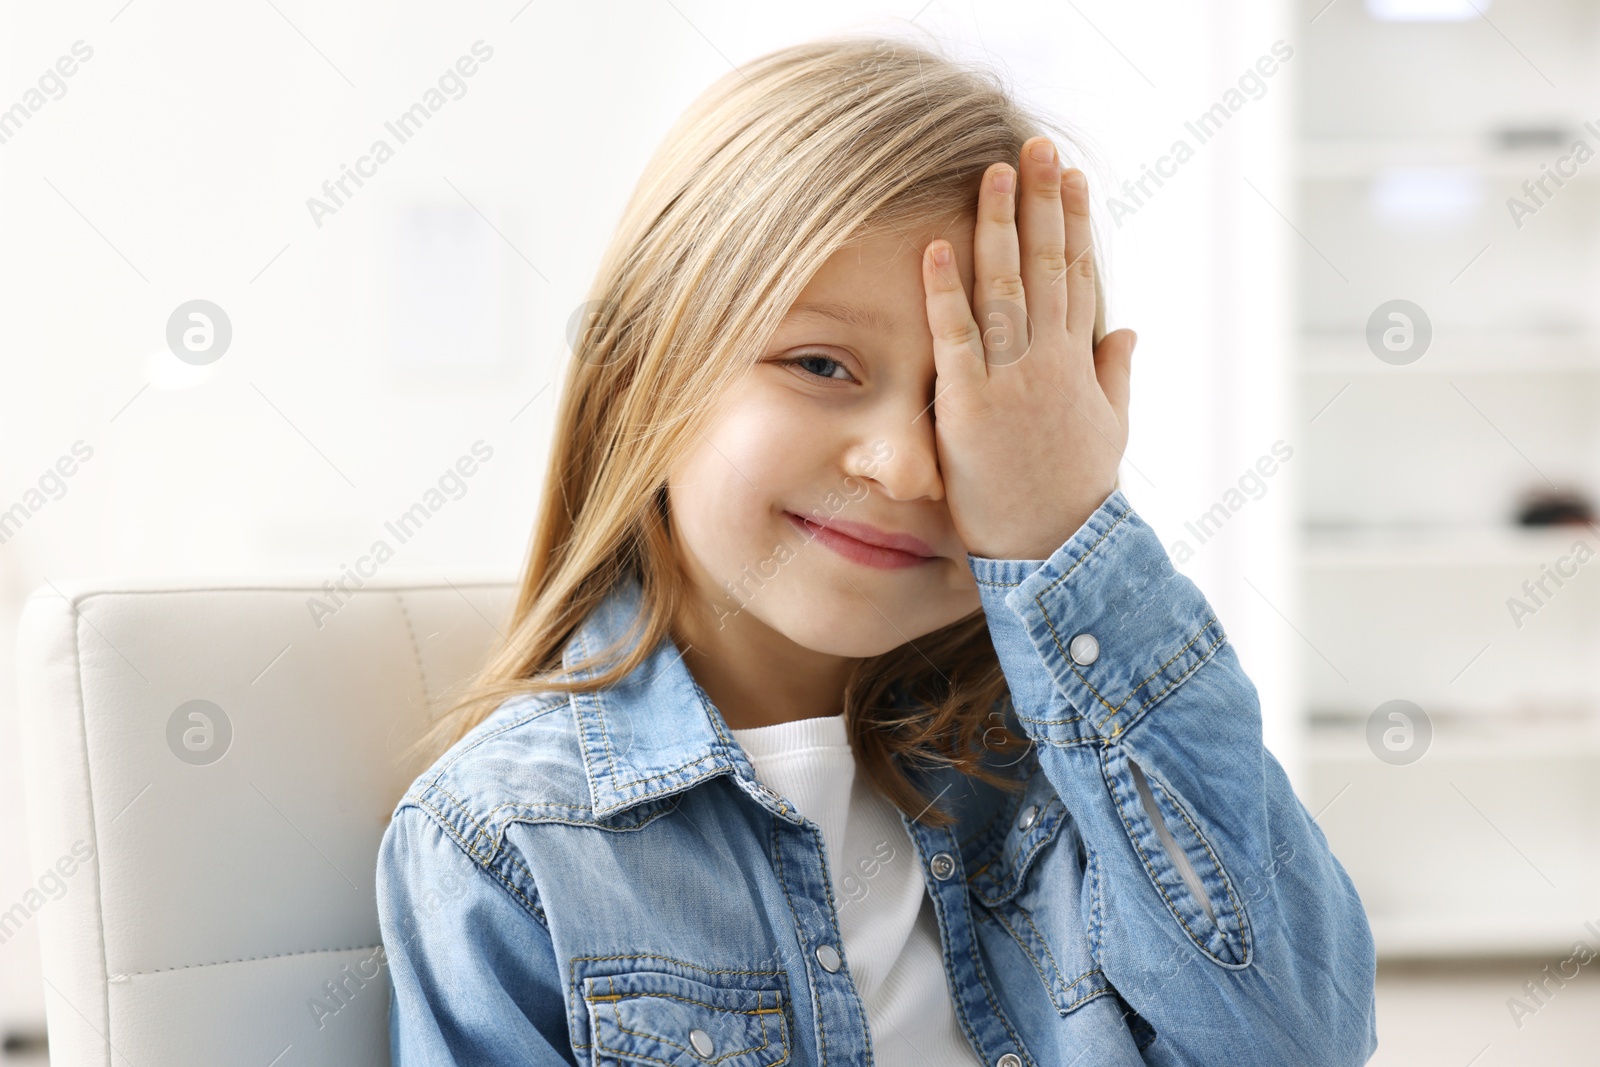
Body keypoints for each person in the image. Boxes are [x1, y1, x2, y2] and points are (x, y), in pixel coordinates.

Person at [376, 31, 1378, 1066]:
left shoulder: (1073, 775)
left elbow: (1295, 1039)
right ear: (642, 369)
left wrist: (1063, 532)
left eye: (970, 406)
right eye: (820, 363)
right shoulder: (507, 839)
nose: (904, 463)